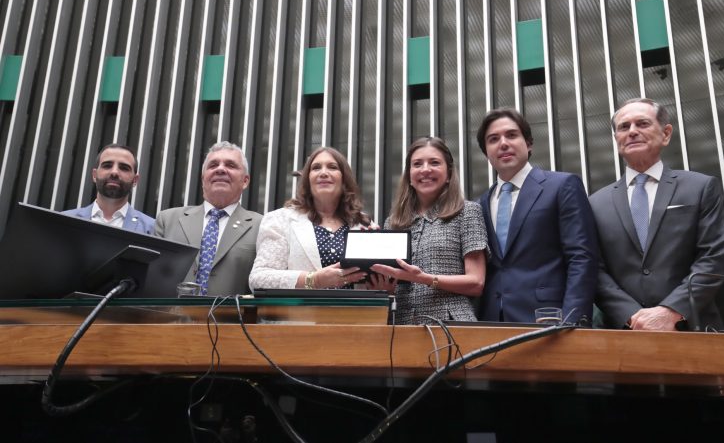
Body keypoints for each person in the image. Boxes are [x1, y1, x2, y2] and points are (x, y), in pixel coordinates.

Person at [590, 98, 724, 331]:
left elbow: (712, 258)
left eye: (642, 124)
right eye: (624, 127)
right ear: (616, 139)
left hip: (691, 328)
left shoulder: (700, 188)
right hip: (622, 333)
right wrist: (632, 317)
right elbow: (594, 270)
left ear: (666, 134)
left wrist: (671, 311)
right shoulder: (595, 203)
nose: (632, 131)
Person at [475, 108, 598, 325]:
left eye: (511, 135)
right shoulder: (479, 204)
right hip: (491, 322)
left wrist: (572, 321)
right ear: (486, 152)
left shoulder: (562, 186)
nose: (503, 143)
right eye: (493, 139)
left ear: (529, 143)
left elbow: (581, 257)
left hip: (550, 319)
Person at [369, 137, 487, 325]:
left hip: (451, 324)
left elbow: (476, 283)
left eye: (434, 163)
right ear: (409, 176)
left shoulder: (468, 212)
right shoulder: (392, 223)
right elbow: (392, 285)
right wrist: (384, 287)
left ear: (448, 174)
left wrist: (424, 279)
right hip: (400, 325)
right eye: (417, 164)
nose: (425, 169)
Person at [249, 147, 370, 290]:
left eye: (332, 167)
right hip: (297, 312)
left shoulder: (365, 224)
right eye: (316, 168)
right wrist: (313, 280)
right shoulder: (279, 220)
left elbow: (373, 281)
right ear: (307, 179)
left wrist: (382, 285)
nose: (324, 173)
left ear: (344, 179)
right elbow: (258, 279)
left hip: (356, 312)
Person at [155, 142, 262, 296]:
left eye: (230, 165)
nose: (220, 169)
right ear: (203, 178)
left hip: (231, 318)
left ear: (245, 181)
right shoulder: (167, 220)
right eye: (213, 165)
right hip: (171, 318)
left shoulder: (261, 225)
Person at [63, 144, 154, 234]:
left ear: (135, 180)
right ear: (94, 175)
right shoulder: (64, 221)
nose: (114, 172)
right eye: (107, 166)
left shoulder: (152, 229)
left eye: (124, 168)